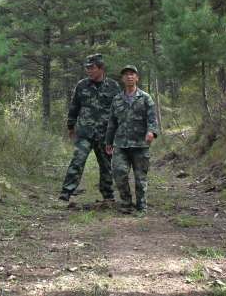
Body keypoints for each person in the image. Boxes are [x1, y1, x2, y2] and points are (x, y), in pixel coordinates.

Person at [59, 54, 121, 203]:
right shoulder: (81, 85)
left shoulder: (113, 86)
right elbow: (74, 107)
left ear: (101, 68)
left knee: (106, 165)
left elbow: (118, 111)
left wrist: (117, 132)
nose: (89, 71)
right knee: (77, 161)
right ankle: (66, 192)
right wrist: (70, 126)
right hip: (84, 132)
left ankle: (108, 196)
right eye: (87, 68)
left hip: (105, 134)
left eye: (92, 68)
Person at [105, 65, 158, 214]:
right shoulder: (117, 99)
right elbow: (112, 122)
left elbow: (152, 118)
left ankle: (141, 206)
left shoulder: (145, 97)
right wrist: (108, 141)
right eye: (126, 75)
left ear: (137, 78)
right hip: (121, 144)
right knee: (119, 172)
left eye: (132, 74)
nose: (129, 77)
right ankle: (126, 203)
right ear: (122, 79)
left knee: (140, 178)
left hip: (140, 144)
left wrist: (151, 132)